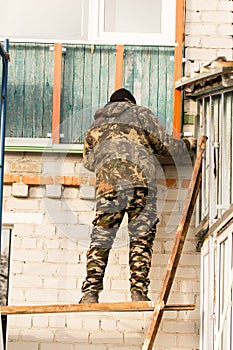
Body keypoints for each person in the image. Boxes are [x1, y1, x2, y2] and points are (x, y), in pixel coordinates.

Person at [79, 88, 192, 303]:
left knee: (101, 238)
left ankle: (90, 293)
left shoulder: (96, 124)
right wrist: (190, 144)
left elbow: (88, 162)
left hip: (108, 187)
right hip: (141, 184)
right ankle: (138, 292)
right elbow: (166, 146)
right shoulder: (141, 114)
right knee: (141, 238)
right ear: (130, 101)